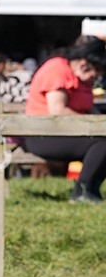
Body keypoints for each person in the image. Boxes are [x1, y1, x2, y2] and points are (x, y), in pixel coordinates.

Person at [24, 39, 106, 202]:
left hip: (66, 132)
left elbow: (89, 108)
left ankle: (92, 189)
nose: (95, 78)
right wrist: (95, 125)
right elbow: (58, 110)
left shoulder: (81, 78)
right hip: (42, 134)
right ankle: (81, 192)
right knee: (102, 142)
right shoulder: (57, 69)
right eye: (95, 73)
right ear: (84, 64)